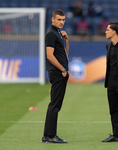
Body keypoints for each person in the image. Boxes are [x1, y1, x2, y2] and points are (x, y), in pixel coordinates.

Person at [42, 9, 69, 144]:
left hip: (60, 72)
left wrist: (66, 40)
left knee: (54, 104)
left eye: (63, 20)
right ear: (52, 19)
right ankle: (51, 136)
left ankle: (47, 136)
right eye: (59, 19)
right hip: (58, 73)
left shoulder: (58, 33)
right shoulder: (51, 34)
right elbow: (49, 56)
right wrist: (62, 69)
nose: (61, 22)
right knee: (55, 105)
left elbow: (64, 55)